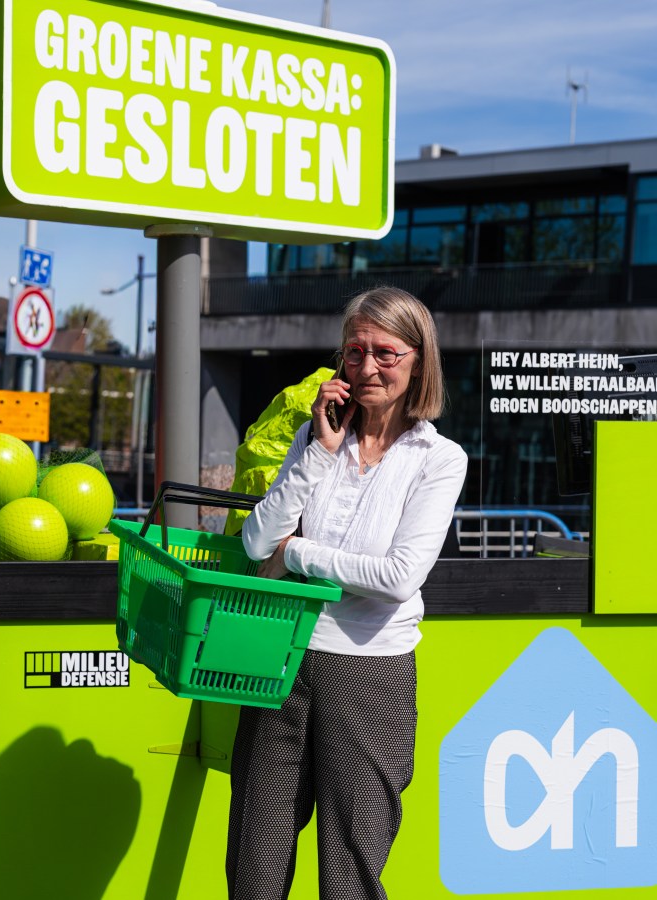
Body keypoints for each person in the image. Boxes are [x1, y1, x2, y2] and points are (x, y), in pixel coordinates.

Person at [228, 287, 467, 900]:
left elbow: (398, 576)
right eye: (354, 351)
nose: (366, 368)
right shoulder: (318, 439)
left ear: (418, 361)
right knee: (255, 862)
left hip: (369, 671)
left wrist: (298, 555)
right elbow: (258, 542)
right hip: (279, 656)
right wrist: (317, 452)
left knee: (351, 867)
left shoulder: (438, 459)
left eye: (385, 353)